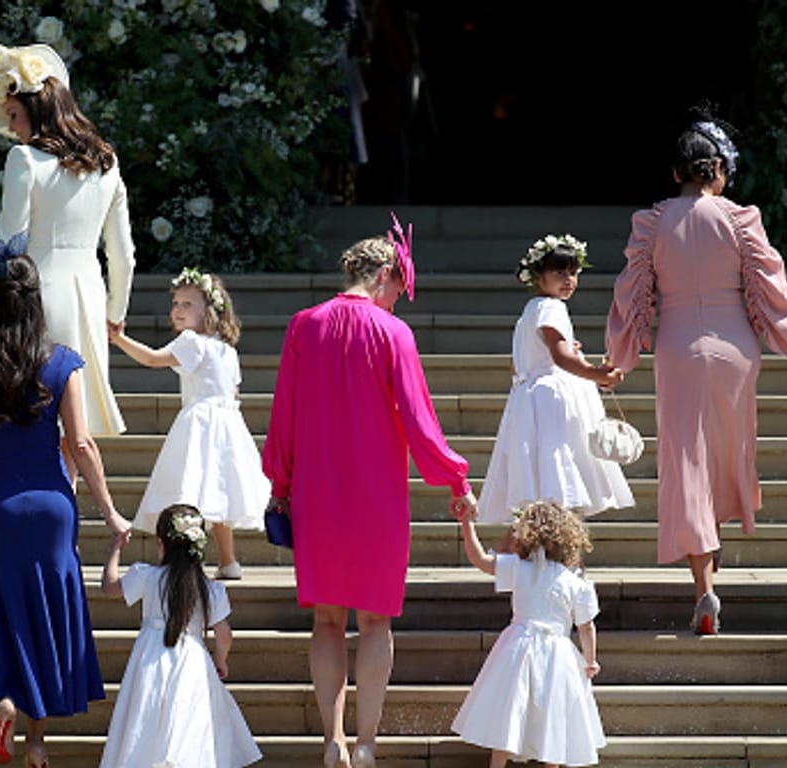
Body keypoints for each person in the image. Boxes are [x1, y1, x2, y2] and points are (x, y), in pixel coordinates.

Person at [606, 112, 787, 635]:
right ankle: (713, 547)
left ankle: (703, 584)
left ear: (675, 172)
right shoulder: (739, 219)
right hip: (734, 347)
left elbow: (632, 292)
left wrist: (619, 359)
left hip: (679, 345)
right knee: (726, 450)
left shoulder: (652, 222)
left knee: (685, 459)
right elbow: (772, 285)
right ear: (718, 171)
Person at [262, 215, 476, 767]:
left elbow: (282, 414)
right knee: (376, 620)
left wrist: (280, 484)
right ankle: (364, 744)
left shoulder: (302, 325)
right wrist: (454, 476)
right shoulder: (393, 332)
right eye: (398, 290)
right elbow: (419, 421)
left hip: (317, 492)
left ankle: (331, 740)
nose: (398, 301)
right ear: (384, 274)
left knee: (327, 620)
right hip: (377, 494)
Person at [0, 249, 132, 768]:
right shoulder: (62, 362)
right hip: (53, 505)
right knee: (47, 612)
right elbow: (81, 446)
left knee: (8, 606)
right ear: (36, 302)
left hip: (0, 507)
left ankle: (7, 698)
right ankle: (36, 740)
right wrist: (110, 512)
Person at [0, 42, 135, 438]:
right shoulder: (107, 163)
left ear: (36, 110)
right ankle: (66, 499)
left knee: (44, 416)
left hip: (37, 297)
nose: (13, 129)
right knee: (78, 423)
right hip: (89, 297)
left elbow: (9, 242)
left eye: (15, 116)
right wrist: (115, 311)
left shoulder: (24, 160)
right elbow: (123, 254)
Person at [109, 268, 267, 580]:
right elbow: (233, 391)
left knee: (188, 489)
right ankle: (227, 560)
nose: (178, 310)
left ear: (209, 310)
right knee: (220, 493)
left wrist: (119, 339)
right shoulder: (226, 349)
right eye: (176, 303)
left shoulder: (192, 342)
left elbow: (154, 359)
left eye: (187, 304)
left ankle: (180, 560)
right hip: (227, 425)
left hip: (200, 424)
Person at [478, 234, 633, 523]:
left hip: (529, 398)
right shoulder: (552, 308)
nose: (568, 279)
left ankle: (535, 551)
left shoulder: (530, 311)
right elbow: (561, 358)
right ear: (538, 275)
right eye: (559, 272)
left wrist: (582, 368)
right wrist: (596, 373)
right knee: (560, 469)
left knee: (542, 476)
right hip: (552, 401)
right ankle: (559, 551)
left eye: (573, 273)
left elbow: (519, 365)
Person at [98, 503, 262, 768]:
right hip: (192, 659)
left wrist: (115, 550)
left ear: (161, 542)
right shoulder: (210, 589)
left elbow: (109, 587)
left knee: (146, 717)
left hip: (149, 656)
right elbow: (224, 633)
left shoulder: (146, 575)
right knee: (188, 723)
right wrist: (221, 660)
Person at [451, 500, 606, 768]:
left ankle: (498, 764)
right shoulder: (576, 583)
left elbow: (480, 560)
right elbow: (586, 626)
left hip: (518, 645)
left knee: (509, 710)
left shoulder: (519, 568)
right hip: (558, 653)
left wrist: (467, 524)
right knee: (553, 716)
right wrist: (590, 659)